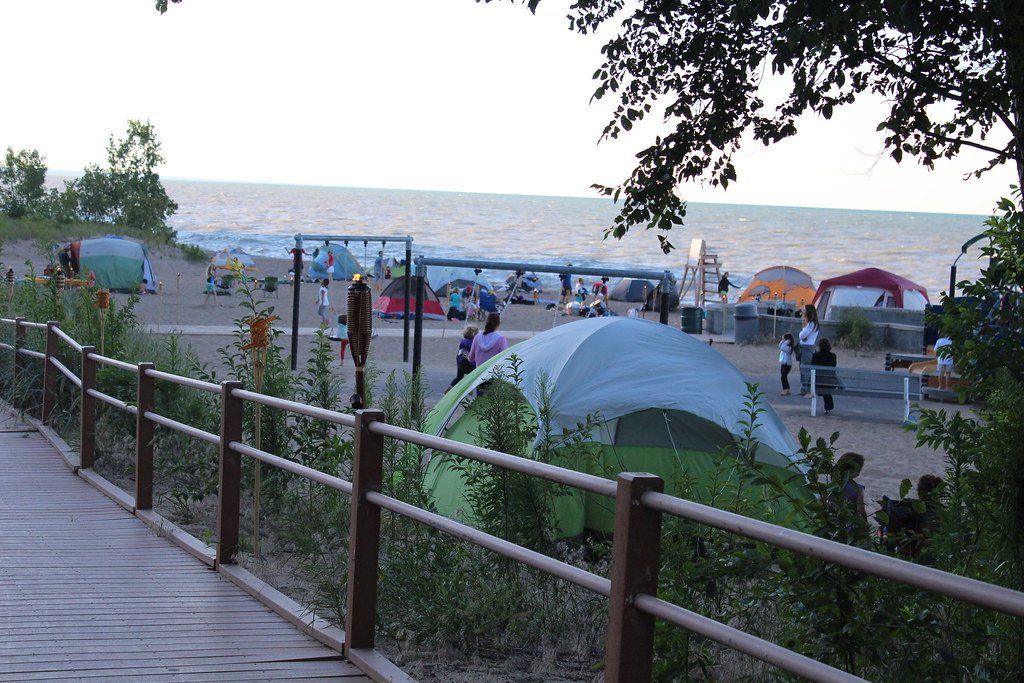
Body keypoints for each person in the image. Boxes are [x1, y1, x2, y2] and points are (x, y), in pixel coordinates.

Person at [878, 474, 944, 560]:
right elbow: (927, 540)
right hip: (925, 557)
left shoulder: (910, 507)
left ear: (918, 491)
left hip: (908, 554)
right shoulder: (935, 510)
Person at [447, 325, 479, 392]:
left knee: (459, 377)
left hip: (461, 362)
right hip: (471, 362)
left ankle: (450, 386)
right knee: (472, 376)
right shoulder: (474, 342)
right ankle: (470, 390)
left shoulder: (463, 341)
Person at [810, 337, 838, 414]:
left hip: (817, 381)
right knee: (828, 384)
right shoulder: (833, 356)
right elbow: (833, 367)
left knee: (822, 383)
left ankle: (827, 406)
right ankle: (828, 407)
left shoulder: (815, 355)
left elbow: (812, 366)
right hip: (830, 382)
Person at [798, 303, 820, 395]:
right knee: (803, 368)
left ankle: (807, 389)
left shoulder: (811, 324)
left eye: (804, 310)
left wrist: (802, 336)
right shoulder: (810, 324)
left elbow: (802, 335)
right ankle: (804, 388)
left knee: (805, 368)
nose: (803, 312)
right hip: (805, 346)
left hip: (807, 348)